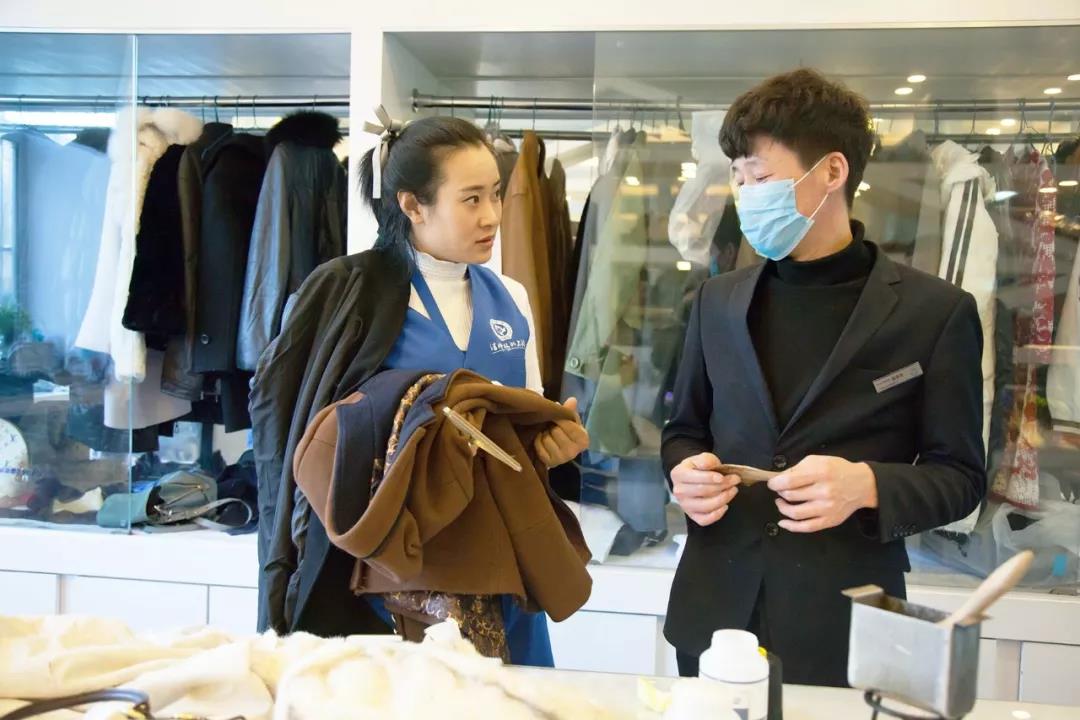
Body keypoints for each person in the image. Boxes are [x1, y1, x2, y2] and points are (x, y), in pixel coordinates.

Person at [661, 69, 987, 686]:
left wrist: (867, 485)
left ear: (833, 171)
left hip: (842, 622)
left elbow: (962, 477)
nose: (745, 194)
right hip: (715, 610)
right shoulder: (717, 301)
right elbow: (683, 430)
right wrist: (683, 473)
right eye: (739, 179)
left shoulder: (935, 313)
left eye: (761, 177)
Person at [291, 114, 589, 665]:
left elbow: (528, 425)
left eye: (495, 194)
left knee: (515, 695)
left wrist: (553, 443)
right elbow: (313, 437)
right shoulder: (356, 299)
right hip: (401, 575)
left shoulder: (510, 298)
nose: (493, 215)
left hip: (503, 560)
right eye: (471, 199)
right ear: (412, 205)